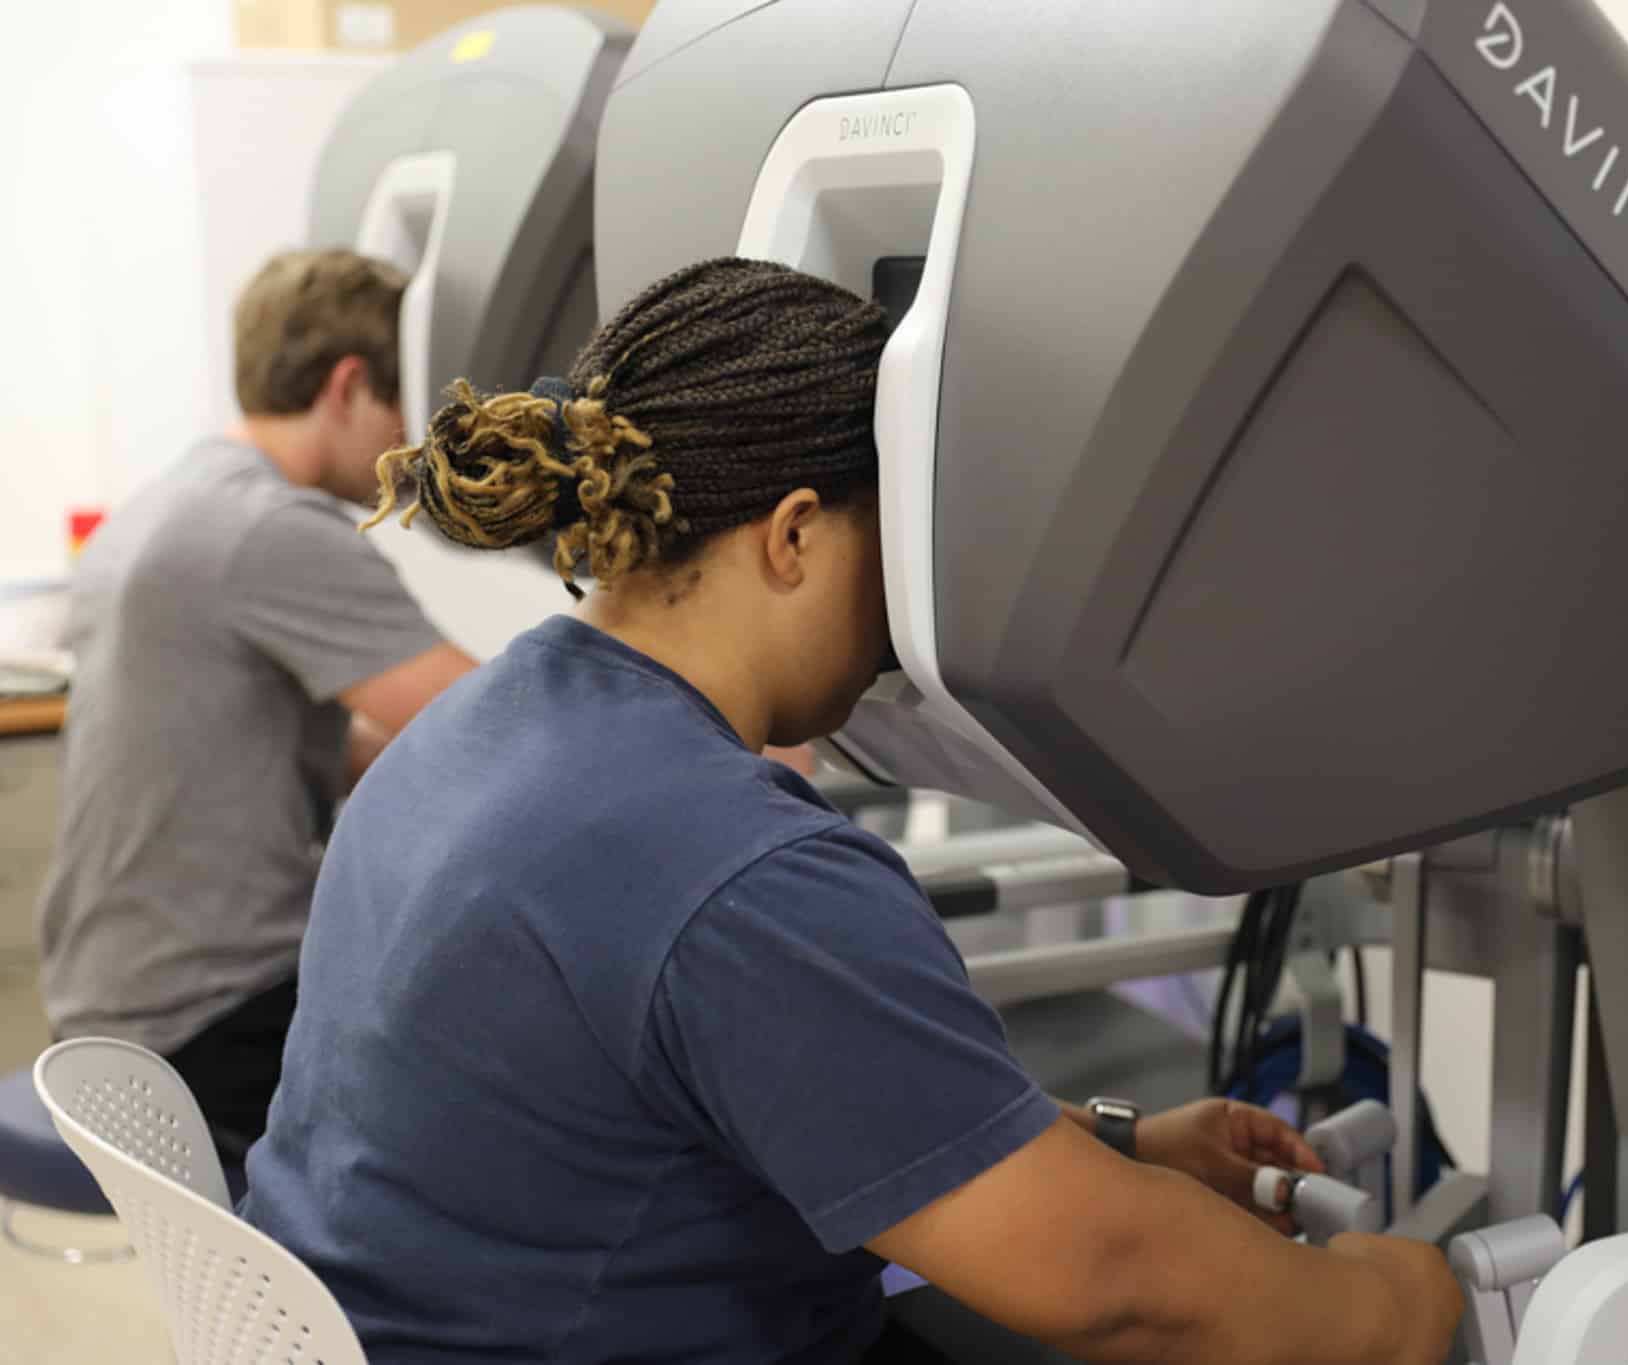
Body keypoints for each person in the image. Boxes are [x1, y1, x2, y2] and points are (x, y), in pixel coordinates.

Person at [240, 258, 1462, 1364]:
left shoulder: (477, 727)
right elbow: (1119, 1288)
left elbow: (762, 1070)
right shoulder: (733, 864)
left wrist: (1119, 1141)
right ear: (793, 537)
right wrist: (1398, 1304)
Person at [37, 248, 476, 1162]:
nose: (413, 439)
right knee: (522, 1083)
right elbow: (506, 722)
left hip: (106, 1000)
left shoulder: (166, 504)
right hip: (206, 1018)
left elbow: (261, 732)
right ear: (348, 385)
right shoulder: (272, 531)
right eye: (408, 406)